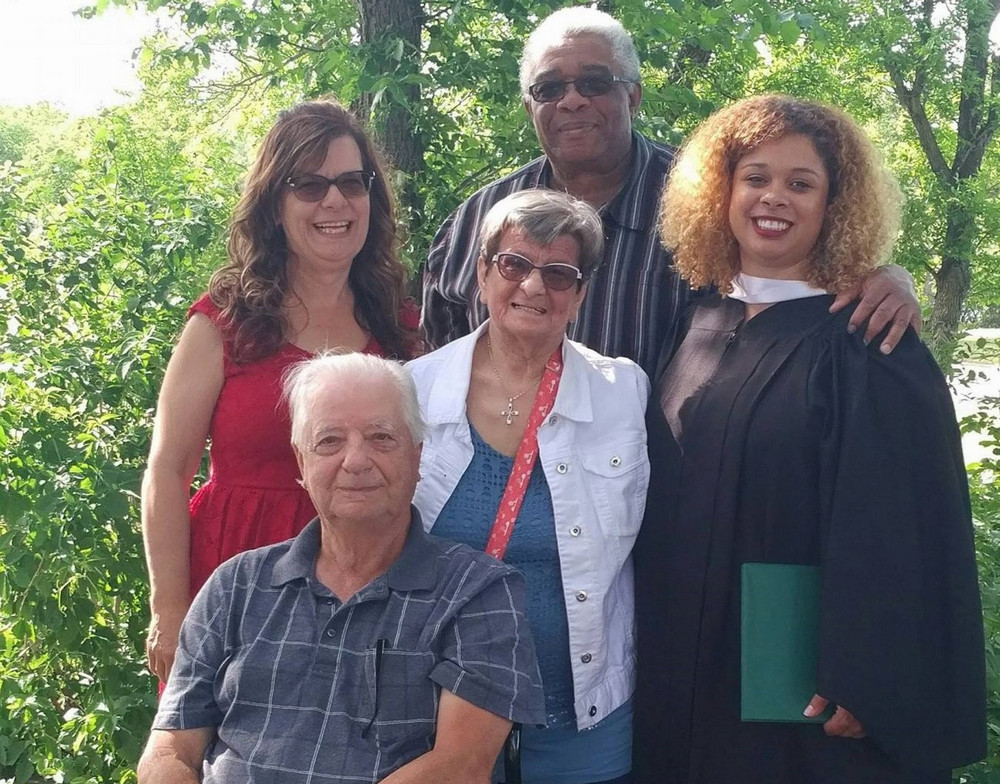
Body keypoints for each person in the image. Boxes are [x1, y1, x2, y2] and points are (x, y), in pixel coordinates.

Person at [632, 95, 986, 783]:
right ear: (723, 190)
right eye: (756, 177)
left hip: (798, 674)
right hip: (678, 654)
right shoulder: (696, 317)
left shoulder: (868, 340)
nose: (775, 198)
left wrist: (866, 671)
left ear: (834, 204)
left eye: (802, 183)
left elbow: (904, 526)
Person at [422, 6, 920, 377]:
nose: (572, 100)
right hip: (492, 497)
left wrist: (884, 276)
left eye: (594, 82)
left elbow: (792, 273)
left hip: (658, 500)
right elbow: (437, 354)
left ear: (633, 94)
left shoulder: (707, 204)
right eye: (549, 88)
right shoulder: (477, 219)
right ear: (531, 106)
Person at [137, 353, 545, 784]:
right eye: (329, 441)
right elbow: (169, 747)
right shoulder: (234, 585)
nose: (355, 461)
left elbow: (460, 768)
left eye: (381, 437)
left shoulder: (479, 593)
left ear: (417, 456)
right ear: (301, 463)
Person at [141, 98, 419, 684]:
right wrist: (169, 609)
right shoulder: (223, 322)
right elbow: (168, 470)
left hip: (363, 580)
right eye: (309, 185)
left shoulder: (403, 327)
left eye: (351, 182)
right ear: (275, 202)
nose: (335, 202)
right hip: (233, 576)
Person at [407, 189, 649, 784]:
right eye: (515, 264)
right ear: (484, 270)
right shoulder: (411, 390)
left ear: (581, 292)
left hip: (580, 714)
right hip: (435, 713)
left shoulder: (625, 394)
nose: (534, 288)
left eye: (559, 273)